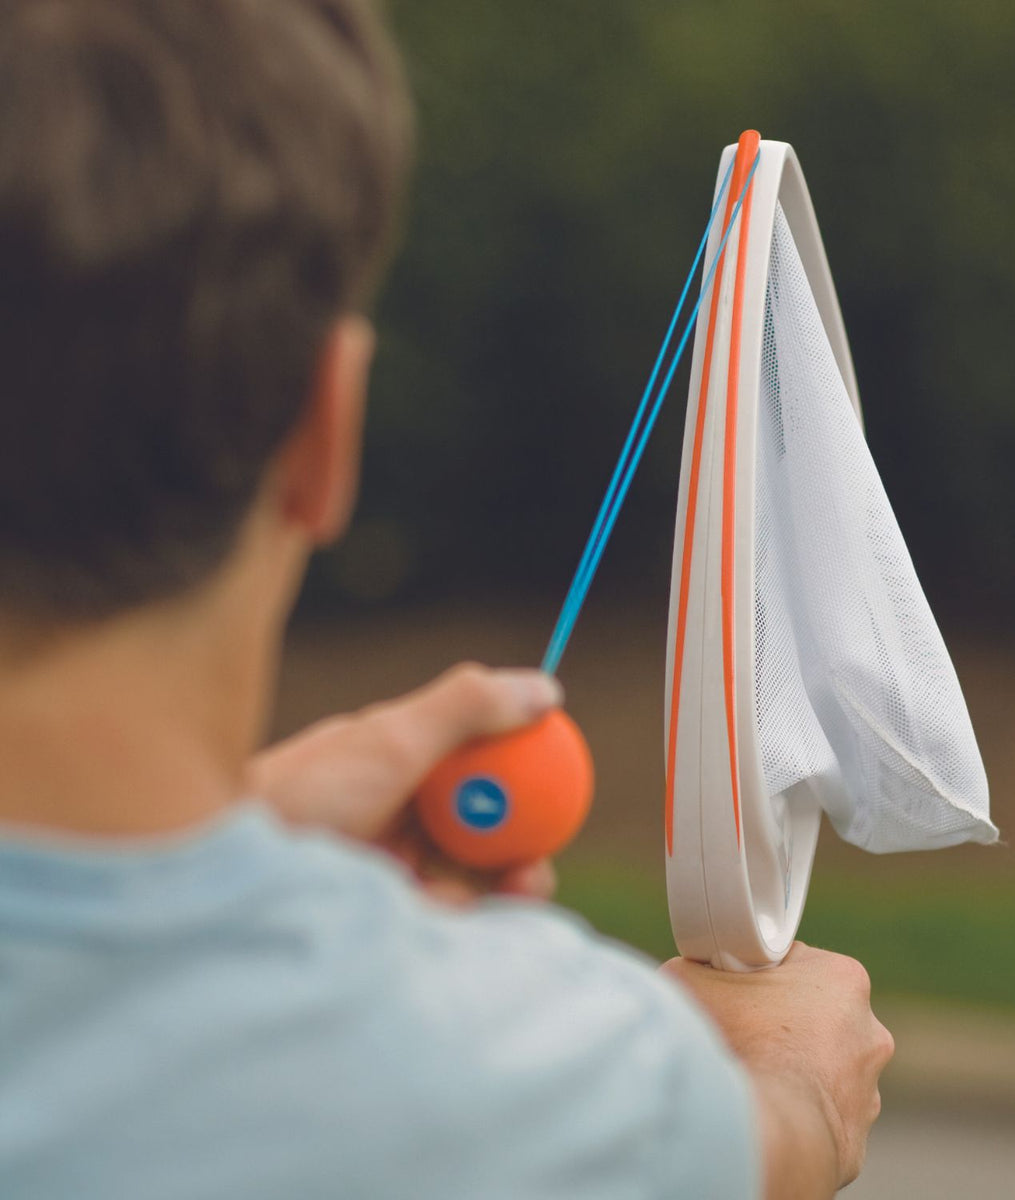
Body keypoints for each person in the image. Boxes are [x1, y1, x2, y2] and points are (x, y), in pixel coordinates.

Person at [0, 2, 894, 1197]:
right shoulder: (517, 1082)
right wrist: (785, 1092)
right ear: (328, 431)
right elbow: (750, 1134)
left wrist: (257, 819)